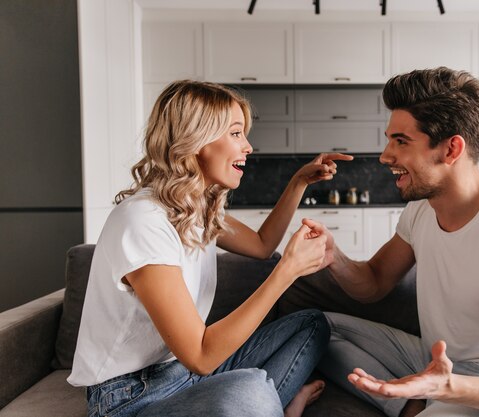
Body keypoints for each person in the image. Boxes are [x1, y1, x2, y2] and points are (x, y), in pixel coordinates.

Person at [303, 67, 479, 417]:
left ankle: (425, 399)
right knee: (318, 327)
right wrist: (335, 257)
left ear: (452, 148)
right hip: (432, 357)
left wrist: (450, 387)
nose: (385, 156)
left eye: (401, 141)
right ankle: (415, 401)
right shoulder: (421, 211)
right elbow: (374, 284)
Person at [68, 80, 353, 417]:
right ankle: (277, 406)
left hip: (183, 377)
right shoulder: (143, 220)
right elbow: (201, 356)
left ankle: (269, 404)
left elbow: (262, 245)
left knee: (313, 325)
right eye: (236, 133)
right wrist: (287, 271)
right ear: (196, 139)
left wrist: (298, 182)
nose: (248, 146)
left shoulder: (196, 210)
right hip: (130, 397)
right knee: (250, 391)